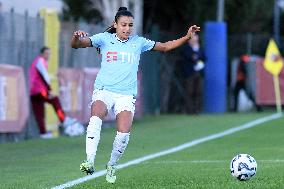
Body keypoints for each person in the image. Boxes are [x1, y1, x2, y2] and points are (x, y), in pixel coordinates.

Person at [71, 7, 200, 183]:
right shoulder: (104, 39)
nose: (127, 28)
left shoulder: (138, 42)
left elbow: (165, 47)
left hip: (126, 94)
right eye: (123, 25)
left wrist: (186, 37)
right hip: (104, 90)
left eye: (130, 25)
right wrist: (76, 37)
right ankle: (89, 161)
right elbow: (77, 45)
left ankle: (111, 165)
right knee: (95, 117)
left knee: (123, 134)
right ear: (115, 25)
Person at [29, 46, 83, 139]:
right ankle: (63, 119)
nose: (48, 55)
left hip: (33, 92)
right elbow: (44, 76)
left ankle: (43, 133)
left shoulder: (38, 62)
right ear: (41, 54)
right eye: (46, 53)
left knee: (39, 112)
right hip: (39, 91)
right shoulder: (40, 61)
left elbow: (38, 76)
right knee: (54, 99)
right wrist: (49, 90)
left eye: (49, 53)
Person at [182, 34, 205, 114]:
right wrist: (195, 57)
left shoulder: (200, 48)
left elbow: (204, 57)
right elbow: (190, 57)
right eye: (193, 39)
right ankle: (189, 110)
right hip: (190, 73)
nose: (194, 41)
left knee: (198, 91)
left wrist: (197, 58)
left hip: (199, 72)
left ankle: (197, 110)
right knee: (189, 91)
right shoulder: (186, 48)